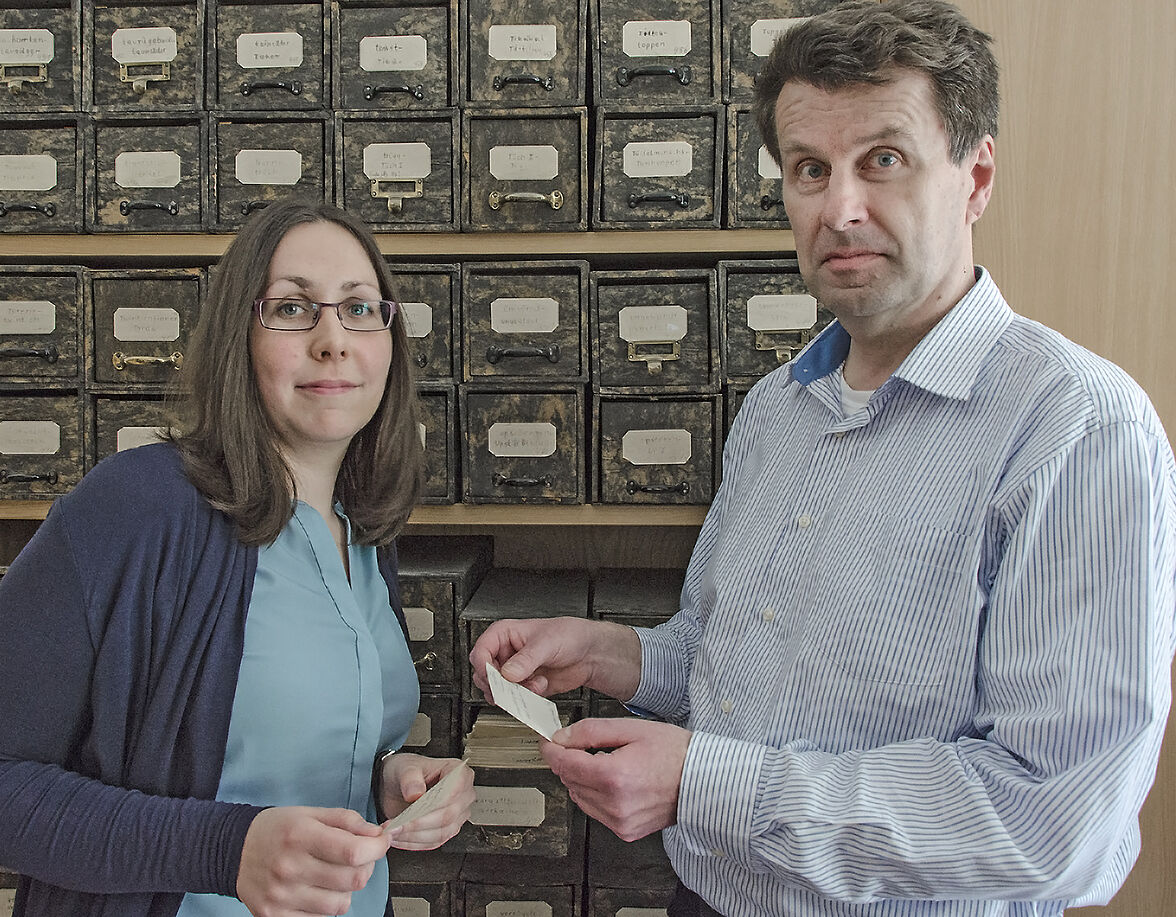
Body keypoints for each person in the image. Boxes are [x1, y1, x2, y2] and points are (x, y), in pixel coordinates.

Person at [471, 2, 1176, 914]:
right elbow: (739, 662)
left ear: (976, 177)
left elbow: (1055, 824)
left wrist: (706, 786)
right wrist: (617, 654)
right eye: (811, 169)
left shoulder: (1077, 429)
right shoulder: (778, 409)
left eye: (883, 160)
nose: (841, 208)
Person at [0, 198, 474, 917]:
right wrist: (224, 848)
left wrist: (389, 777)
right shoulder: (137, 508)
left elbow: (285, 748)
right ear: (238, 334)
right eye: (294, 308)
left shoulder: (361, 529)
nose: (333, 338)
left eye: (360, 308)